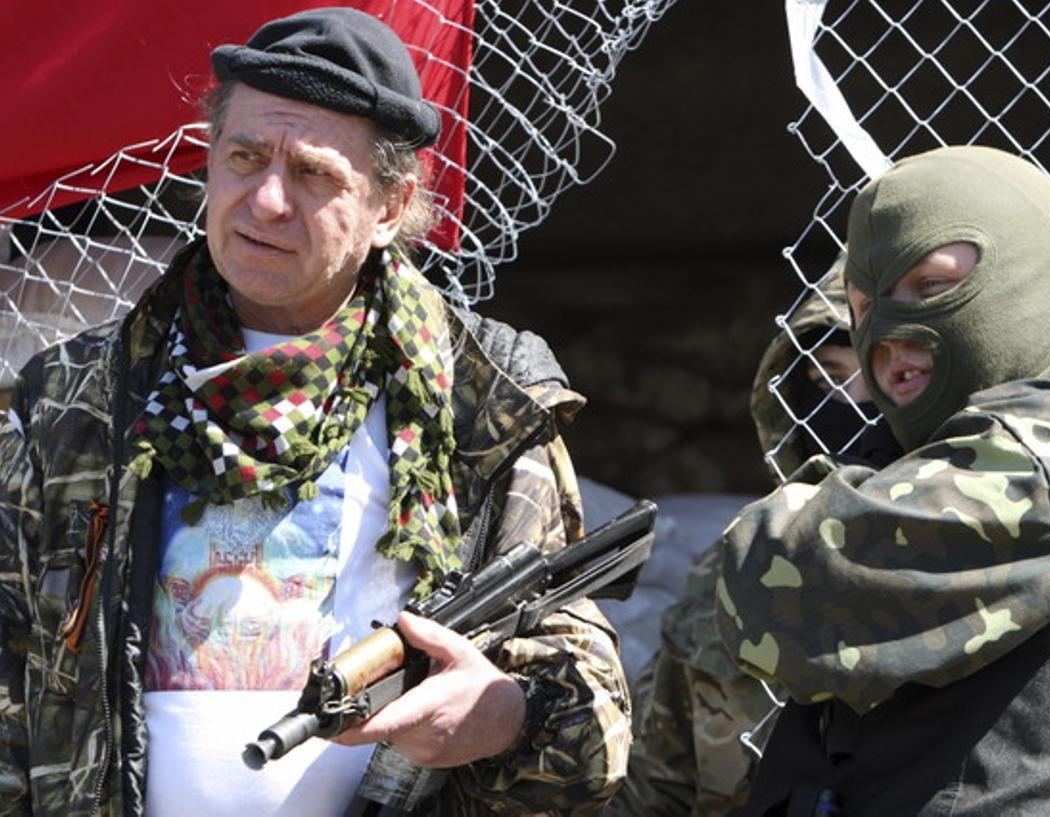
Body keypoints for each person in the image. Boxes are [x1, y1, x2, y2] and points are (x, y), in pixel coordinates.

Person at [0, 8, 630, 816]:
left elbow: (596, 730)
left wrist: (504, 714)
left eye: (313, 173)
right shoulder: (80, 397)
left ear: (391, 206)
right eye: (245, 156)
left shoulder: (479, 403)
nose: (267, 199)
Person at [717, 145, 1050, 815]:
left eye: (931, 287)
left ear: (1027, 271)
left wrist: (840, 488)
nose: (890, 332)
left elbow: (765, 588)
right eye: (867, 304)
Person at [608, 271, 899, 816]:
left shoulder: (983, 563)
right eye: (829, 379)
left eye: (886, 378)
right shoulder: (741, 563)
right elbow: (654, 784)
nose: (854, 405)